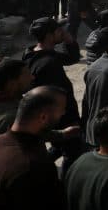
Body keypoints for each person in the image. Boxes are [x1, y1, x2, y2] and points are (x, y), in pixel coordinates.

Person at [22, 17, 84, 174]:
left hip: (49, 115)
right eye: (58, 31)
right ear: (49, 35)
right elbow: (56, 96)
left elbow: (72, 58)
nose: (62, 33)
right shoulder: (49, 63)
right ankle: (66, 186)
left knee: (57, 146)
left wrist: (69, 41)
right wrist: (68, 119)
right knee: (72, 153)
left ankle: (35, 170)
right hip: (60, 115)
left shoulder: (33, 53)